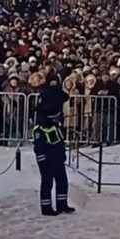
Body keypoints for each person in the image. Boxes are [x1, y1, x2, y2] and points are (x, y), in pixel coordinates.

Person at [33, 79, 75, 216]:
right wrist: (41, 157)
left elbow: (58, 140)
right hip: (46, 155)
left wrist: (61, 154)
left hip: (56, 154)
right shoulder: (42, 123)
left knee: (62, 180)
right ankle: (46, 208)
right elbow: (39, 143)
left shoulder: (55, 122)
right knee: (47, 181)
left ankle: (62, 204)